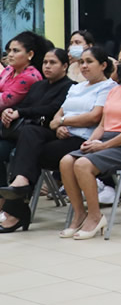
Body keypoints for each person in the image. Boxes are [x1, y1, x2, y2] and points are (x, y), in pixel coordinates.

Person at [0, 48, 115, 229]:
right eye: (82, 62)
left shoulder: (108, 87)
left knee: (29, 155)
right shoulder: (77, 87)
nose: (84, 66)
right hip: (63, 134)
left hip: (84, 139)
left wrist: (63, 121)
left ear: (103, 65)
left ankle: (15, 210)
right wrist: (60, 124)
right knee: (30, 132)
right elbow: (55, 118)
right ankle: (19, 185)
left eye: (89, 62)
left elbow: (94, 117)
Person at [57, 43, 121, 240]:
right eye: (120, 62)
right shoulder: (114, 90)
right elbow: (103, 125)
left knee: (84, 164)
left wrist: (103, 145)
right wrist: (91, 142)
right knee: (66, 161)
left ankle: (96, 217)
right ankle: (79, 214)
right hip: (107, 140)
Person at [0, 49, 74, 194]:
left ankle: (19, 185)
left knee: (29, 135)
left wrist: (20, 112)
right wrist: (9, 112)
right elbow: (24, 105)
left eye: (52, 62)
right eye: (45, 62)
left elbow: (52, 108)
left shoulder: (70, 86)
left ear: (64, 66)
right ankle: (3, 194)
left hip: (48, 132)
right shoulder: (38, 86)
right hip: (23, 132)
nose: (47, 66)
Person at [1, 32, 47, 110]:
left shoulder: (30, 76)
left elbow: (4, 101)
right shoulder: (10, 69)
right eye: (10, 50)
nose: (10, 55)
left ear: (30, 55)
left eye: (15, 51)